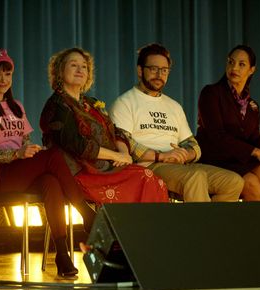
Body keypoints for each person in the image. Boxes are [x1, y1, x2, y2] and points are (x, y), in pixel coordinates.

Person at [0, 49, 97, 278]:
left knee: (50, 182)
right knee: (54, 156)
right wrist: (17, 154)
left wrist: (31, 152)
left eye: (8, 74)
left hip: (19, 172)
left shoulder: (16, 106)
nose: (4, 80)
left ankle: (62, 255)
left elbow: (26, 142)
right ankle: (85, 212)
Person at [109, 43, 244, 202]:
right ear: (140, 71)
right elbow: (125, 143)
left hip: (180, 166)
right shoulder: (125, 102)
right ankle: (203, 227)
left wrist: (186, 154)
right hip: (148, 166)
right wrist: (163, 156)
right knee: (196, 177)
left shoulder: (174, 106)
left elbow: (193, 144)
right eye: (153, 69)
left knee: (234, 181)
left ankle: (215, 225)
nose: (159, 74)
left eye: (164, 70)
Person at [39, 47, 169, 205]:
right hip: (79, 172)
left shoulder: (91, 103)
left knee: (152, 179)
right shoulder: (57, 105)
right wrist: (115, 156)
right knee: (145, 179)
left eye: (84, 66)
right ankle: (133, 228)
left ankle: (143, 229)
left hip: (106, 168)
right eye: (74, 65)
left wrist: (124, 153)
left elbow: (116, 131)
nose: (80, 69)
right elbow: (77, 145)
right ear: (60, 70)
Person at [195, 45, 260, 201]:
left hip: (238, 160)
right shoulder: (211, 93)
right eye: (231, 62)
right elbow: (217, 136)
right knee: (251, 183)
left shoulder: (252, 106)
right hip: (216, 159)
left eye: (241, 64)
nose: (234, 68)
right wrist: (258, 152)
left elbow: (250, 143)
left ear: (251, 70)